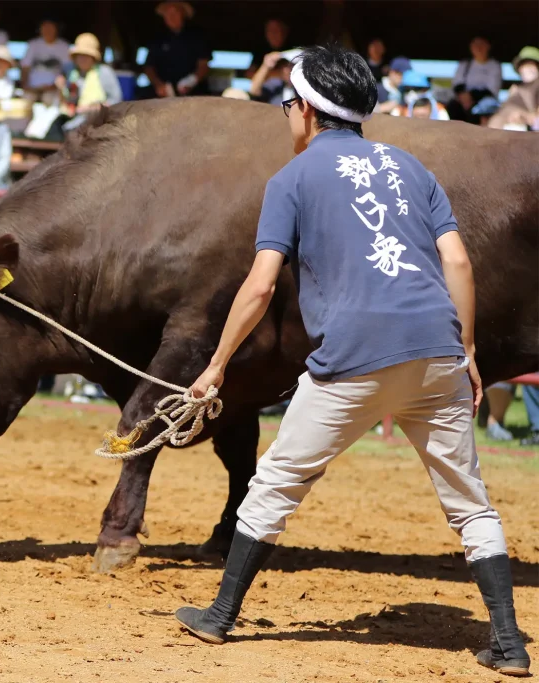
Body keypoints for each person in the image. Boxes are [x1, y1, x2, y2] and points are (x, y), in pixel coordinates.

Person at [174, 45, 530, 678]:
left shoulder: (292, 178)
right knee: (471, 503)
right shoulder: (412, 167)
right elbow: (458, 263)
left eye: (288, 105)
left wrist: (216, 366)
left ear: (308, 111)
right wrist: (468, 350)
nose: (287, 116)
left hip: (354, 357)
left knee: (277, 483)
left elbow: (259, 288)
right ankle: (508, 643)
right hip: (438, 349)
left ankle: (219, 614)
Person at [144, 1, 212, 97]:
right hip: (162, 96)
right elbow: (149, 67)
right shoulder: (157, 38)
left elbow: (204, 65)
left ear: (183, 14)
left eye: (175, 12)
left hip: (194, 94)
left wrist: (191, 81)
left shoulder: (197, 36)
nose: (171, 16)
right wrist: (159, 85)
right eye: (167, 13)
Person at [61, 33, 123, 117]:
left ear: (93, 58)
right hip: (75, 120)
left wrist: (91, 108)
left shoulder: (104, 72)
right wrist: (60, 89)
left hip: (99, 121)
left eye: (86, 56)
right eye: (80, 55)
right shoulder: (73, 74)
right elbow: (69, 101)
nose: (82, 59)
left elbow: (116, 100)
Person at [21, 19, 71, 91]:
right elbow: (25, 68)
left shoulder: (64, 47)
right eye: (45, 27)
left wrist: (54, 86)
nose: (47, 30)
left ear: (57, 29)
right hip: (32, 88)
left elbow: (67, 71)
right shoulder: (33, 44)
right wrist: (25, 86)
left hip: (54, 89)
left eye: (51, 27)